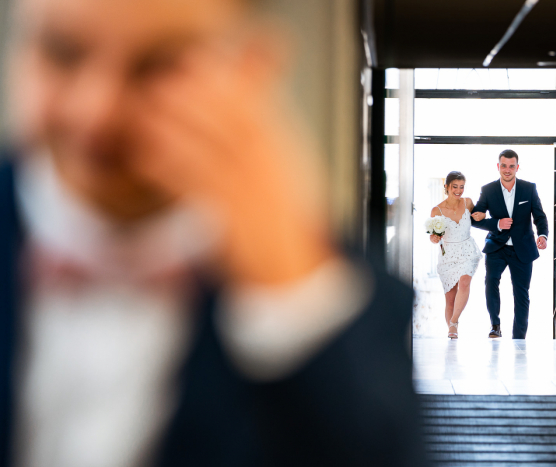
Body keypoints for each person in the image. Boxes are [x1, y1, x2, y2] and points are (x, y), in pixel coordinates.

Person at [0, 0, 427, 466]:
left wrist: (287, 295)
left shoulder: (345, 305)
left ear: (251, 64)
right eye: (62, 52)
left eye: (160, 65)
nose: (96, 112)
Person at [470, 149, 548, 339]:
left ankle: (519, 337)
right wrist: (497, 223)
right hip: (497, 246)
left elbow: (539, 216)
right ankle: (495, 326)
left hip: (523, 248)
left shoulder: (529, 188)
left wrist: (543, 235)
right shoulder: (488, 190)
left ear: (517, 167)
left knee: (521, 294)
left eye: (511, 166)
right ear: (498, 166)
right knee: (490, 282)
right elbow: (475, 219)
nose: (507, 169)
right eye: (503, 165)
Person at [429, 171, 484, 339]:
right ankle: (452, 330)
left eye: (461, 187)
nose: (459, 190)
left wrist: (482, 215)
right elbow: (433, 237)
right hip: (448, 256)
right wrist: (435, 236)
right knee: (450, 299)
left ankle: (454, 322)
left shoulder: (468, 203)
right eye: (455, 187)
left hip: (467, 250)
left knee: (465, 282)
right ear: (446, 187)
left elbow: (479, 217)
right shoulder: (436, 210)